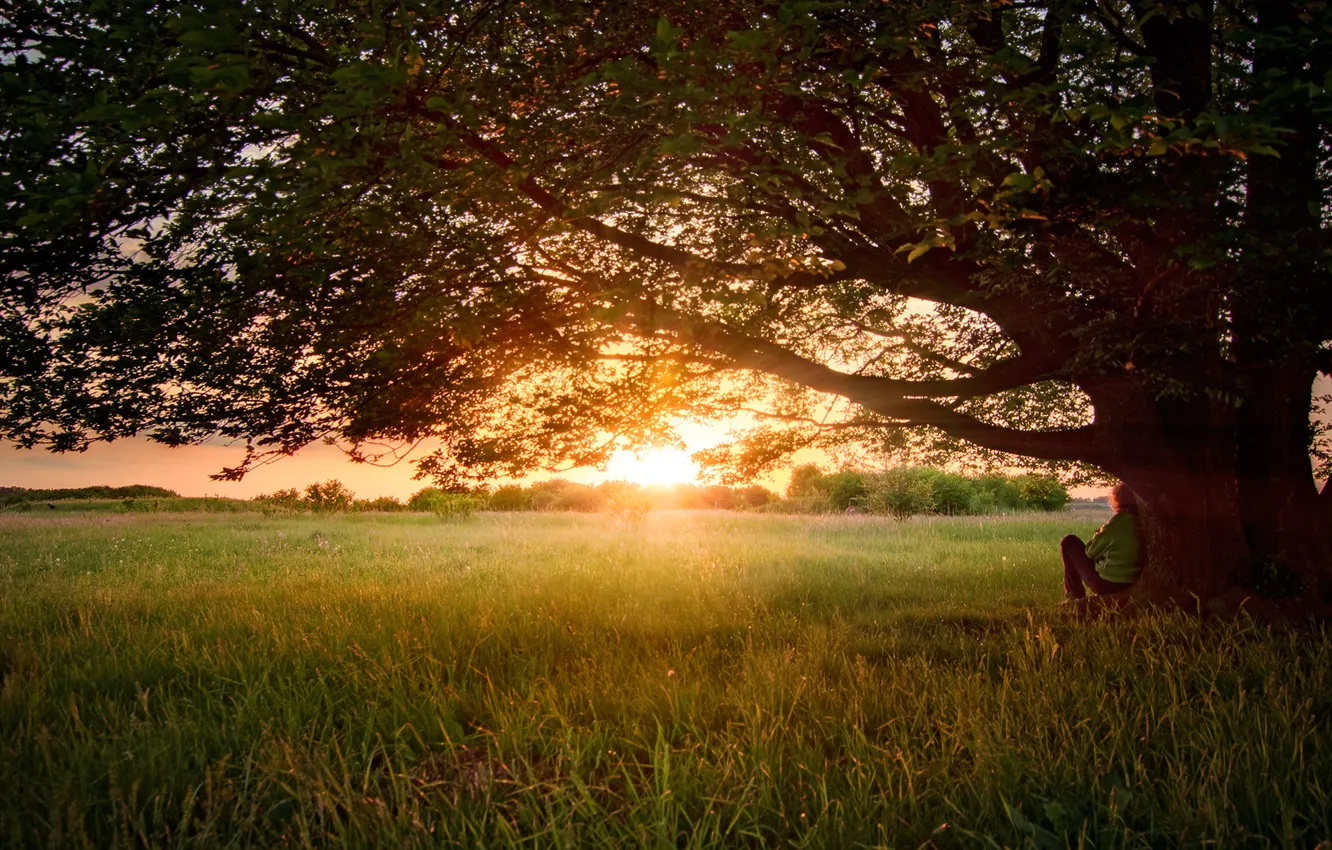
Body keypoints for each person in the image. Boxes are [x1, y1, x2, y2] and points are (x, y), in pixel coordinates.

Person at [1060, 483, 1142, 600]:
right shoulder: (1143, 523)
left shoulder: (1115, 524)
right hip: (1133, 580)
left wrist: (1098, 533)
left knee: (1068, 541)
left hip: (1107, 584)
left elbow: (1090, 552)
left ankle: (1074, 597)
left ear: (1116, 499)